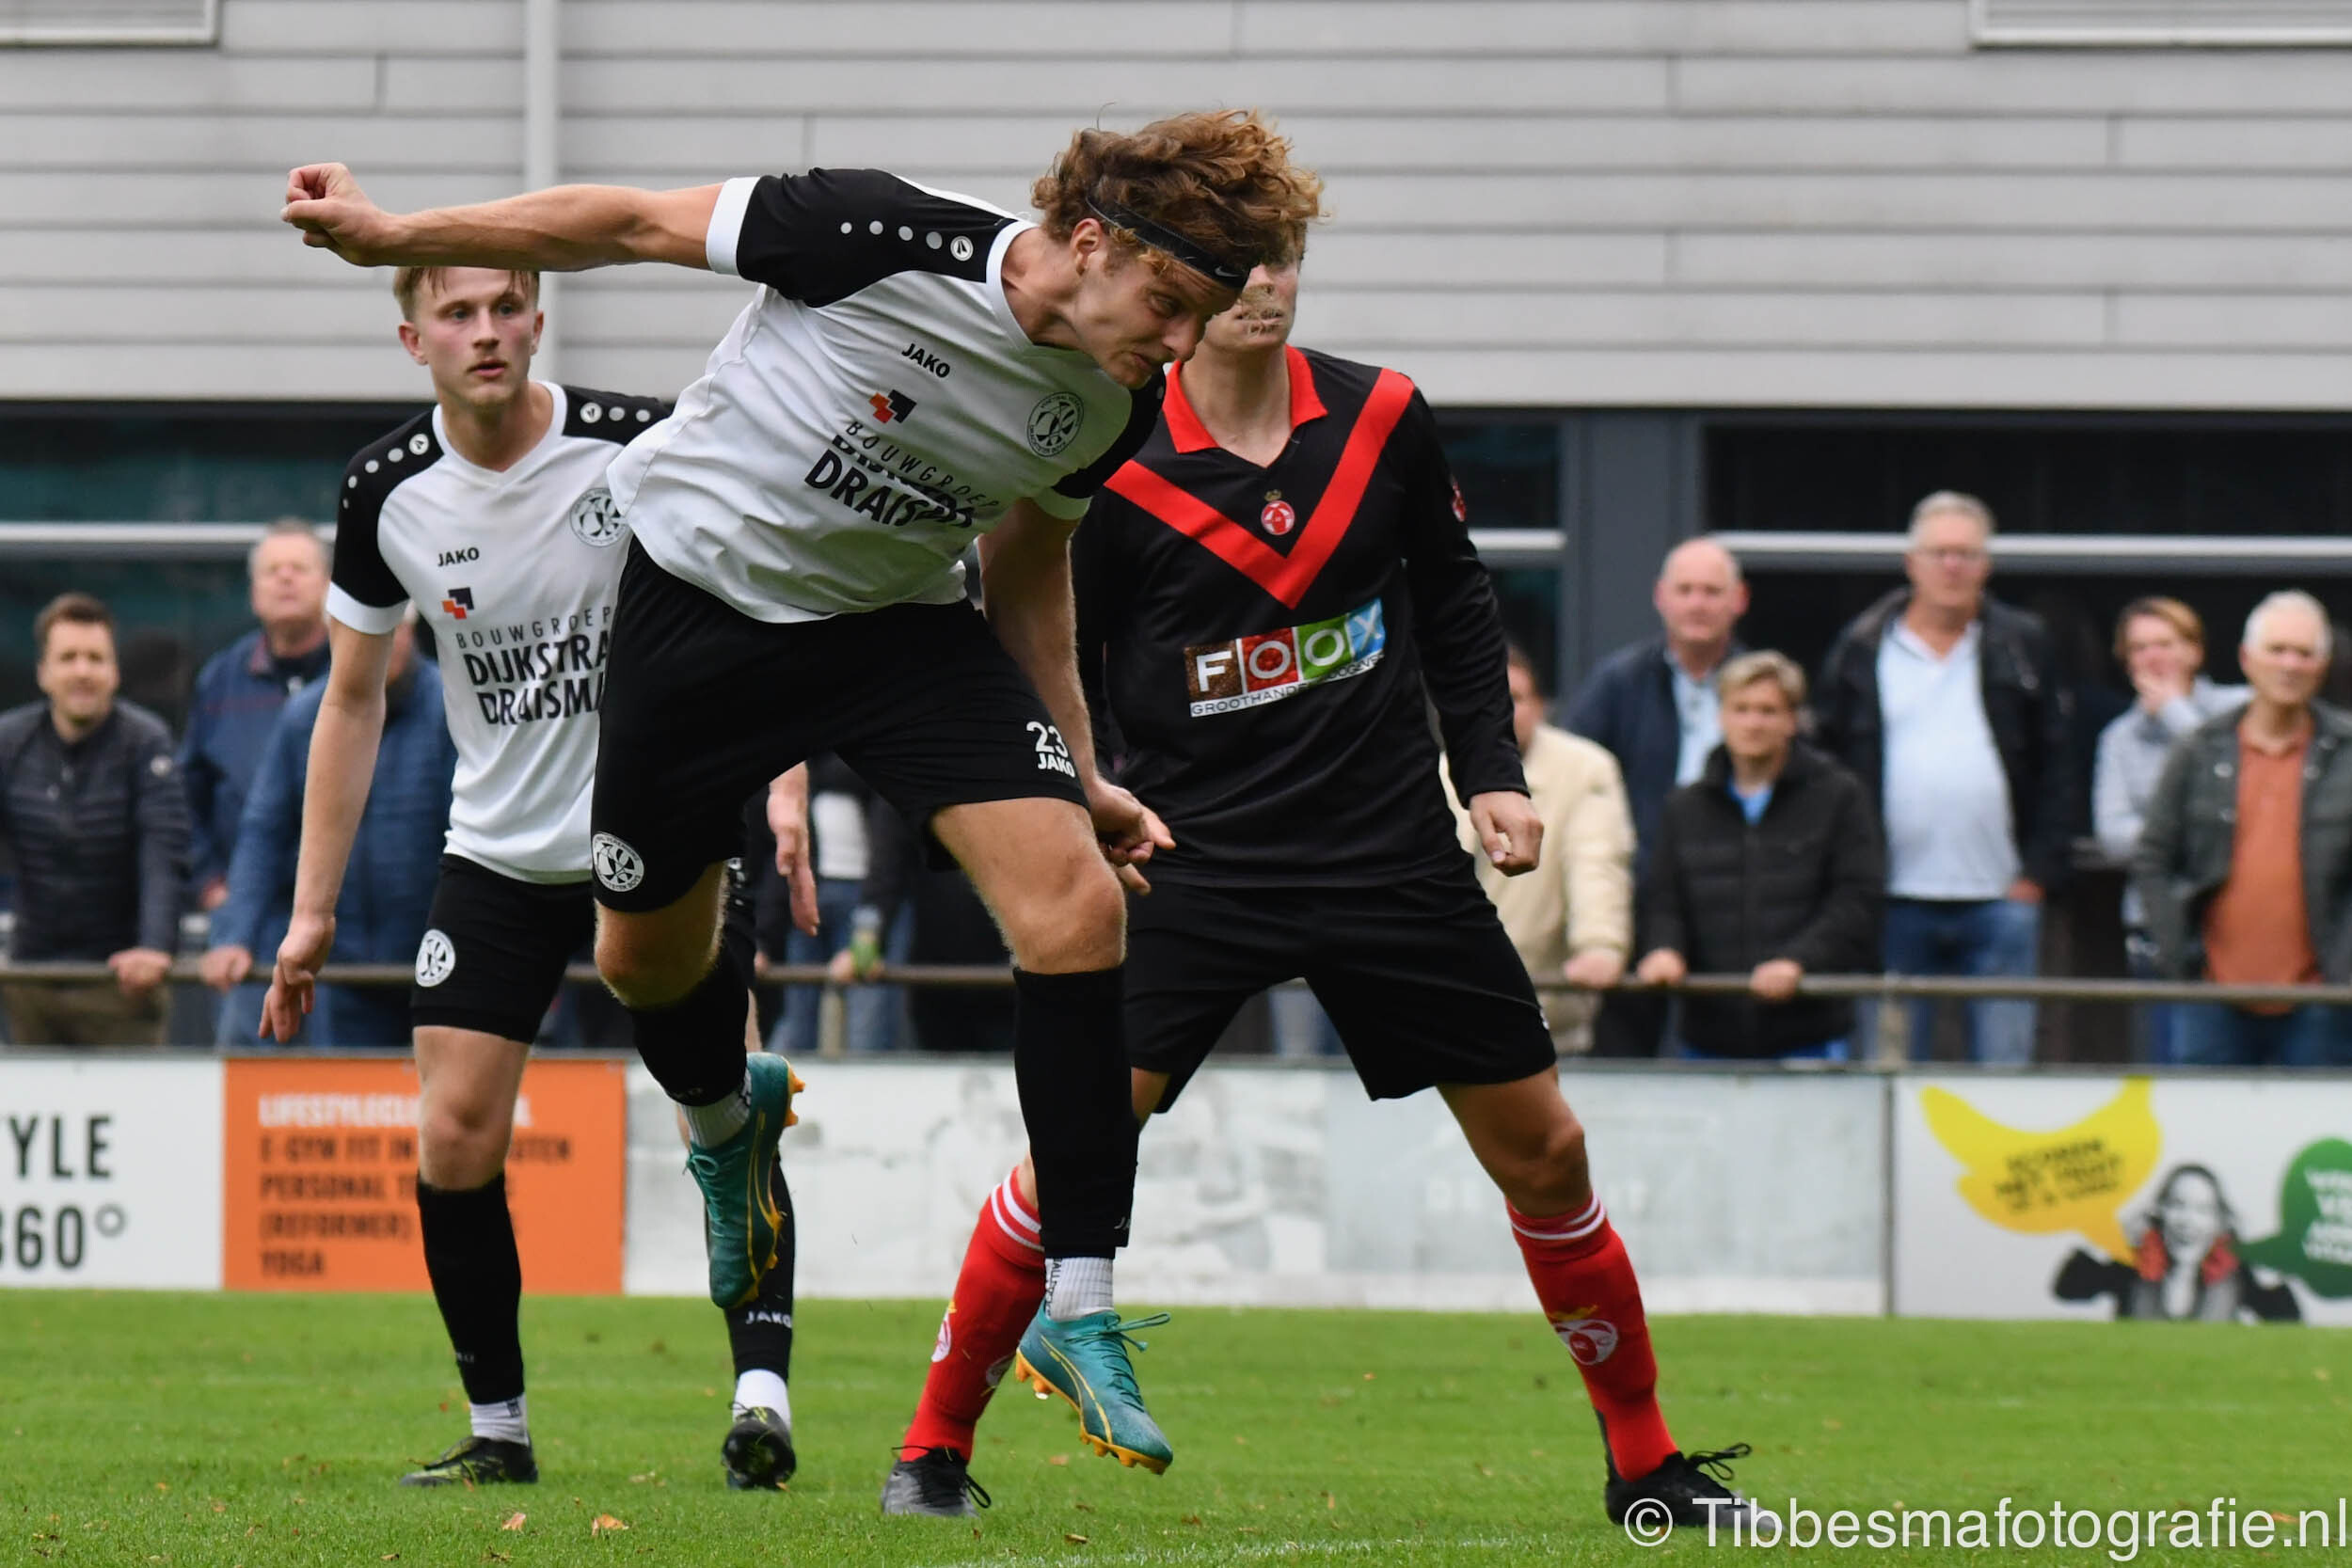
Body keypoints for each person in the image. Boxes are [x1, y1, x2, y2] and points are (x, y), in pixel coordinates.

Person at [281, 109, 1324, 1454]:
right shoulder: (874, 230)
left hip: (894, 629)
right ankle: (728, 1127)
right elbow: (626, 222)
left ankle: (1078, 1293)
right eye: (1171, 304)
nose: (1181, 345)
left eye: (1200, 320)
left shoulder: (1112, 399)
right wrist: (390, 236)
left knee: (1077, 907)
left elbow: (1025, 564)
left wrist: (1081, 770)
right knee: (642, 964)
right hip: (699, 606)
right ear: (1090, 243)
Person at [877, 245, 1756, 1529]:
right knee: (1078, 1147)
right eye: (1230, 262)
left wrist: (1491, 771)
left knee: (1549, 1150)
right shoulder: (1108, 439)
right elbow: (1042, 633)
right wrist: (1073, 799)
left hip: (1387, 851)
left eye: (1278, 256)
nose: (1260, 283)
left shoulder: (1382, 413)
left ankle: (1647, 1464)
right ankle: (932, 1448)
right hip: (1189, 856)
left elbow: (1455, 599)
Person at [258, 263, 807, 1490]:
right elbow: (350, 700)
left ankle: (760, 1397)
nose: (487, 330)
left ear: (539, 322)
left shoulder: (635, 441)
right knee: (453, 1129)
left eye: (507, 306)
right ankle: (498, 1428)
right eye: (458, 313)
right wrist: (309, 911)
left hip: (664, 830)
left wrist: (784, 786)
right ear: (414, 338)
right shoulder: (385, 488)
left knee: (717, 1103)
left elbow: (764, 596)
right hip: (500, 849)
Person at [1814, 492, 2074, 1065]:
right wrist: (1852, 876)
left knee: (2005, 1073)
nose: (1952, 566)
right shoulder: (1861, 648)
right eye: (1940, 553)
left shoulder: (2024, 644)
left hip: (2002, 898)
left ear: (1987, 565)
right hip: (1891, 900)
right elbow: (1829, 770)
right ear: (1912, 563)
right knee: (1890, 1072)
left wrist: (2036, 876)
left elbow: (2058, 764)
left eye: (1966, 554)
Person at [202, 614, 453, 1047]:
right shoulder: (305, 716)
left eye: (390, 628)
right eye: (360, 631)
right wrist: (234, 934)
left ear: (411, 630)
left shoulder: (451, 708)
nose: (376, 642)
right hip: (342, 970)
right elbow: (264, 831)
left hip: (440, 965)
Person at [2133, 591, 2352, 1069]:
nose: (2290, 665)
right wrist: (2178, 955)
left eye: (2304, 653)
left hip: (2325, 1001)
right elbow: (2154, 857)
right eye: (2277, 650)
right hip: (2212, 996)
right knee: (2206, 1118)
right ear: (2246, 659)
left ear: (2323, 665)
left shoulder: (2347, 751)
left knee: (2316, 1119)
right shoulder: (2198, 750)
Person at [1633, 653, 1883, 1062]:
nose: (1753, 723)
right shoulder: (1685, 806)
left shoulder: (1839, 796)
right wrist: (1665, 948)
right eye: (1741, 709)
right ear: (1721, 717)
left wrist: (1798, 961)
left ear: (1792, 721)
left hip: (1810, 1032)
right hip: (1708, 1036)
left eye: (1768, 711)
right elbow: (1663, 899)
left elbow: (1856, 899)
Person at [1565, 539, 1749, 1057]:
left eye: (1711, 591)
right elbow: (1574, 777)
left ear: (1739, 599)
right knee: (1625, 1050)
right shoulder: (1618, 683)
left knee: (1729, 1050)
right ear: (1660, 597)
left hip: (1737, 901)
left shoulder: (1761, 687)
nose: (1697, 603)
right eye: (1685, 590)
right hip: (1636, 894)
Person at [0, 594, 189, 1047]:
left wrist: (155, 946)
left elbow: (164, 852)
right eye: (68, 658)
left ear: (115, 672)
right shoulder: (9, 741)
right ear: (43, 673)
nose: (82, 671)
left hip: (124, 984)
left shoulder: (147, 741)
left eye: (95, 658)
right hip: (30, 982)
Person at [183, 520, 334, 1042]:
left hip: (347, 924)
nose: (285, 579)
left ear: (329, 585)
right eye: (272, 571)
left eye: (299, 568)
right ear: (253, 593)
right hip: (249, 923)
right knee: (252, 1067)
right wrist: (210, 884)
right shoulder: (221, 680)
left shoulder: (360, 672)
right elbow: (186, 799)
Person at [1452, 642, 1633, 1053]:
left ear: (1540, 706)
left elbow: (1596, 861)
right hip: (1453, 1008)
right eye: (1490, 697)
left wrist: (1600, 946)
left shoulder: (1584, 768)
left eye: (1515, 698)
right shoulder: (1442, 773)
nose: (1503, 710)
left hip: (1549, 1008)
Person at [2090, 598, 2247, 1063]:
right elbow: (2113, 837)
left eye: (2165, 644)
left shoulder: (2242, 708)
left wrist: (2177, 713)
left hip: (2237, 923)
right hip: (2156, 928)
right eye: (2139, 649)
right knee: (2164, 1071)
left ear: (2195, 651)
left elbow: (2246, 795)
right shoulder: (2119, 738)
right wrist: (2196, 831)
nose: (2153, 657)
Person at [830, 797, 1016, 1053]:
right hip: (937, 977)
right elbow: (884, 875)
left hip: (1011, 975)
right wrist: (865, 943)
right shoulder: (909, 785)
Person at [2052, 1164, 2299, 1322]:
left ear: (2219, 1222)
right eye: (2178, 1205)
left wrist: (2257, 1256)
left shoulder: (2236, 1274)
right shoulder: (2132, 1267)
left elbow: (2289, 1321)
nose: (2188, 1221)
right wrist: (2113, 1235)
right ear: (2159, 1213)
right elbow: (2067, 1290)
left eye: (2203, 1210)